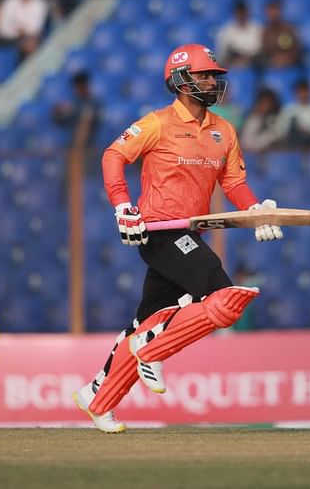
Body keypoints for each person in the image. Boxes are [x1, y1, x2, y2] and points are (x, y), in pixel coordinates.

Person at [73, 44, 283, 433]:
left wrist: (255, 210)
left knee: (143, 320)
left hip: (189, 231)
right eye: (203, 75)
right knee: (222, 295)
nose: (211, 81)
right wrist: (123, 205)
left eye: (213, 76)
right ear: (180, 81)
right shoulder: (156, 123)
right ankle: (153, 345)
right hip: (158, 231)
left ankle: (98, 395)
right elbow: (112, 156)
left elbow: (234, 182)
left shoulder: (224, 130)